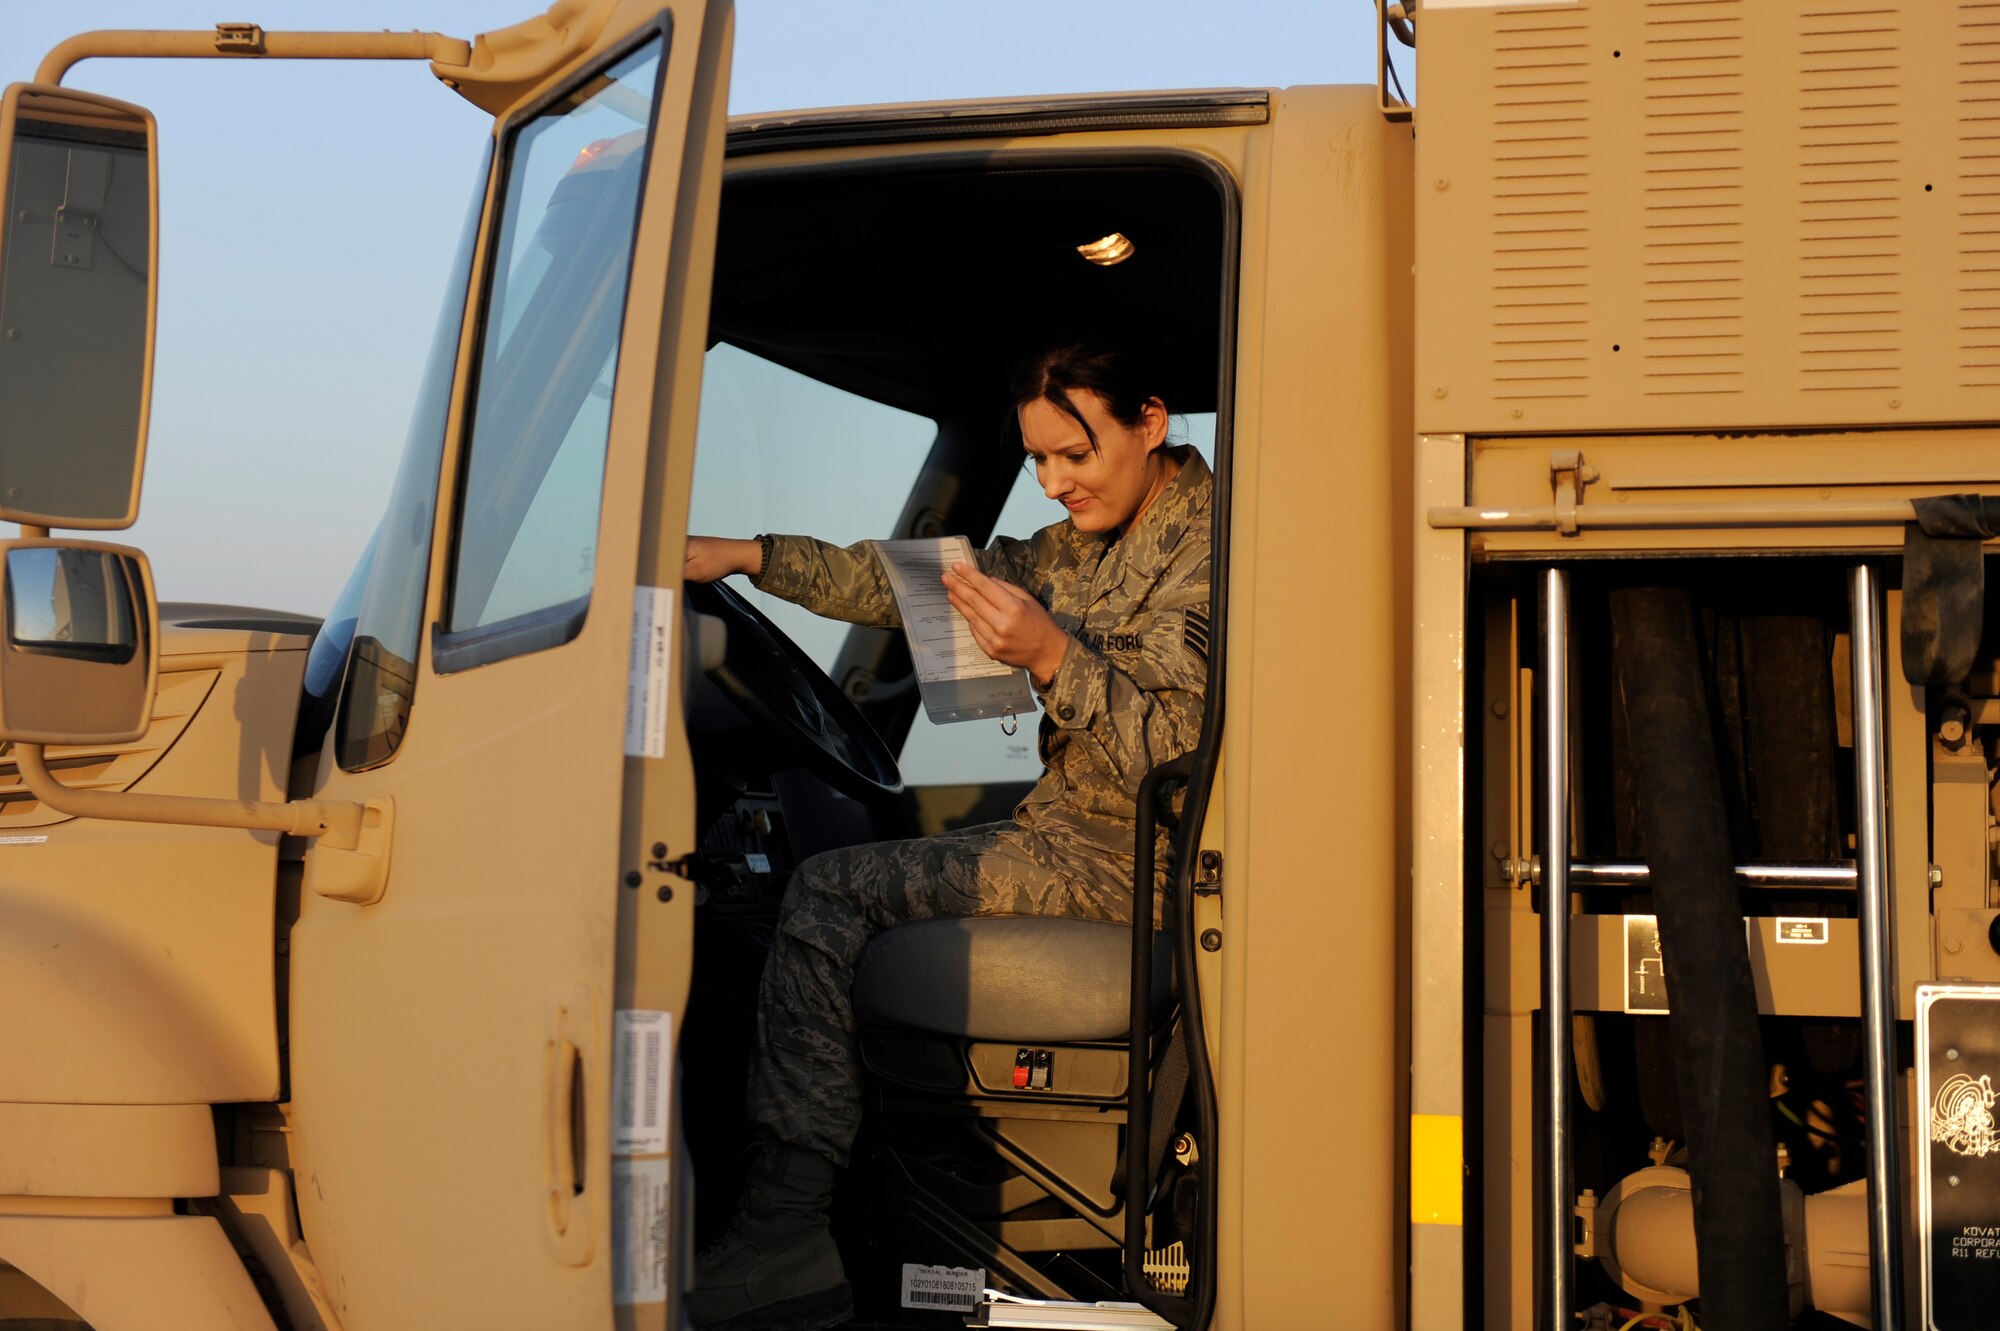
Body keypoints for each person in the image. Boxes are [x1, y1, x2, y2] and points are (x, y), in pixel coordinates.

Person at [680, 334, 1213, 1331]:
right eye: (1039, 458)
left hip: (1142, 866)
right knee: (842, 878)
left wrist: (1057, 658)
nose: (1053, 482)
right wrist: (749, 558)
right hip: (1064, 839)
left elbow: (1195, 757)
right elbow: (918, 586)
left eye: (1076, 453)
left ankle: (784, 1230)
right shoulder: (1075, 546)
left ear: (1151, 421)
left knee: (826, 891)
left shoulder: (1215, 552)